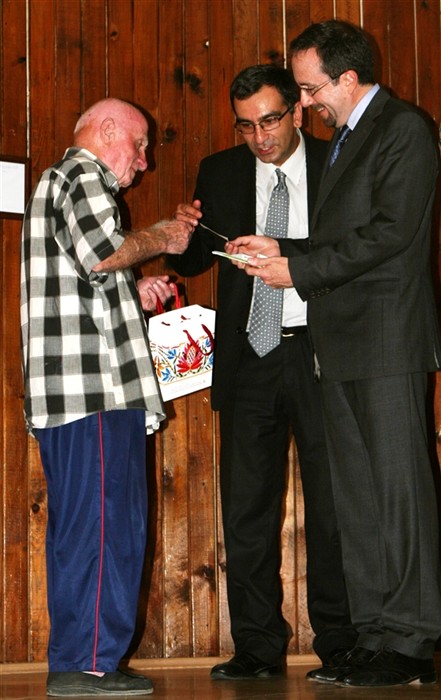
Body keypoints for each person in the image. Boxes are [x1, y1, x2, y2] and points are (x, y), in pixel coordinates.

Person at [227, 21, 441, 687]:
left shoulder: (402, 128)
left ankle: (409, 641)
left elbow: (388, 232)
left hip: (384, 340)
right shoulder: (346, 137)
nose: (305, 102)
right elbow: (340, 237)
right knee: (359, 502)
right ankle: (375, 637)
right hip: (341, 344)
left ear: (347, 78)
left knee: (397, 495)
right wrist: (282, 255)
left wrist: (297, 270)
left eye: (309, 88)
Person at [169, 64, 356, 681]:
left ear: (298, 111)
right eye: (246, 126)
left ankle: (341, 643)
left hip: (322, 352)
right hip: (250, 355)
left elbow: (360, 251)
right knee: (247, 509)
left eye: (271, 121)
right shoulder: (220, 170)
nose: (260, 137)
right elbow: (199, 259)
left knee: (333, 508)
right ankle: (256, 646)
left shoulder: (338, 162)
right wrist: (183, 235)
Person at [20, 97, 193, 696]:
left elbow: (89, 270)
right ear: (108, 129)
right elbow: (101, 253)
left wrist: (134, 285)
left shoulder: (59, 184)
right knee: (104, 528)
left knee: (90, 527)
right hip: (91, 391)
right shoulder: (81, 175)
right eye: (140, 145)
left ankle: (83, 659)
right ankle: (88, 663)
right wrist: (162, 236)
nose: (142, 163)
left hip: (77, 393)